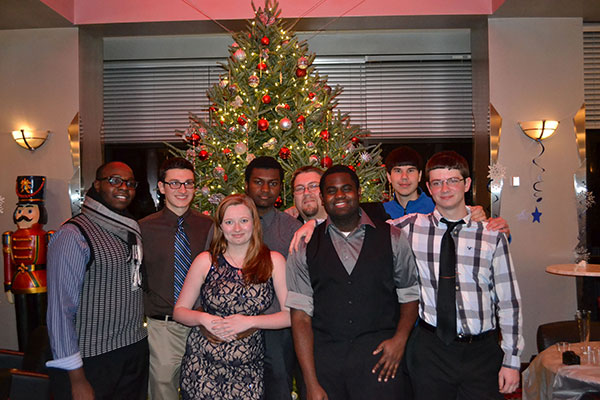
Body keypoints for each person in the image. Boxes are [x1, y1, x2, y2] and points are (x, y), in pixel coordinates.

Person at [391, 151, 523, 399]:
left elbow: (508, 302)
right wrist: (315, 221)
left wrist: (512, 360)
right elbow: (362, 229)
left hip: (481, 352)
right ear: (428, 188)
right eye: (437, 182)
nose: (445, 189)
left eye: (453, 180)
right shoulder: (411, 227)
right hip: (431, 351)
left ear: (467, 184)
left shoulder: (492, 235)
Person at [286, 165, 419, 400]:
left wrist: (400, 341)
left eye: (346, 189)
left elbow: (410, 295)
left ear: (358, 192)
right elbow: (300, 317)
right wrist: (310, 382)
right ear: (323, 198)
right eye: (331, 191)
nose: (339, 195)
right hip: (326, 367)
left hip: (381, 362)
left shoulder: (393, 237)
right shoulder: (304, 246)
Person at [46, 161, 148, 400]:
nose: (124, 187)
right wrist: (76, 378)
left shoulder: (130, 230)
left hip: (133, 350)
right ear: (97, 185)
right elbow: (60, 311)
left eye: (130, 183)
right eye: (115, 180)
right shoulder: (73, 235)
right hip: (92, 359)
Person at [173, 194, 290, 400]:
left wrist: (249, 322)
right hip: (203, 368)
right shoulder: (205, 261)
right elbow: (179, 312)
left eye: (243, 220)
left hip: (248, 370)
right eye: (229, 222)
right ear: (220, 226)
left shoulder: (273, 261)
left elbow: (289, 316)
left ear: (254, 223)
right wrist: (204, 319)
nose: (237, 228)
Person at [139, 157, 214, 400]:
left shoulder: (210, 226)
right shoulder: (142, 229)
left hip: (203, 325)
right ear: (161, 187)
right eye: (174, 183)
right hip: (164, 328)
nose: (182, 190)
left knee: (205, 390)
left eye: (188, 183)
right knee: (163, 389)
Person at [244, 156, 303, 399]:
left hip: (277, 332)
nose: (266, 189)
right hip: (233, 328)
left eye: (273, 183)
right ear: (246, 184)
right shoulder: (227, 224)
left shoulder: (291, 229)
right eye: (258, 182)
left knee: (278, 391)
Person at [3, 175, 53, 351]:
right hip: (19, 282)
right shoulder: (9, 236)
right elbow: (8, 263)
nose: (23, 214)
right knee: (22, 323)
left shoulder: (47, 235)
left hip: (41, 282)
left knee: (42, 324)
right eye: (20, 210)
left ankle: (42, 357)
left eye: (29, 210)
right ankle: (24, 356)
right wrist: (8, 286)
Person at [383, 146, 435, 219]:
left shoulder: (435, 209)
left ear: (419, 175)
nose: (404, 177)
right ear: (389, 177)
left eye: (410, 170)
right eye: (398, 171)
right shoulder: (381, 213)